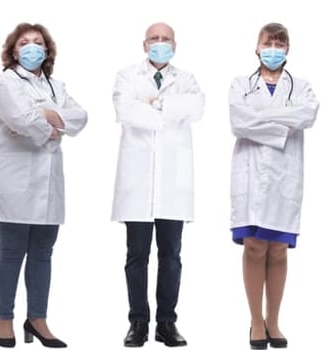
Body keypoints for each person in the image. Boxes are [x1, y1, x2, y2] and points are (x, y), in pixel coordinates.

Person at [0, 22, 89, 349]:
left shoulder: (56, 86)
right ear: (14, 50)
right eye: (25, 42)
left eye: (38, 43)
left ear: (46, 51)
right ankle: (4, 318)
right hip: (14, 181)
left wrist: (47, 113)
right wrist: (53, 124)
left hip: (49, 184)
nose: (32, 47)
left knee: (43, 253)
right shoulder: (5, 82)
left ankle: (37, 318)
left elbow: (81, 117)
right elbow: (19, 119)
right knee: (12, 251)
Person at [112, 22, 202, 348]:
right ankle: (138, 323)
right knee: (136, 255)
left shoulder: (187, 79)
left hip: (173, 184)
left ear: (174, 45)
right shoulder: (127, 76)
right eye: (154, 38)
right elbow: (125, 109)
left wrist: (152, 105)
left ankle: (167, 323)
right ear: (144, 44)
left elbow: (196, 107)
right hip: (137, 182)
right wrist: (166, 111)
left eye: (165, 39)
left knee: (172, 256)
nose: (159, 44)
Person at [229, 23, 318, 350]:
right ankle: (255, 320)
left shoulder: (303, 87)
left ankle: (274, 320)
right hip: (250, 174)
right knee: (254, 246)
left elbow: (308, 115)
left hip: (285, 178)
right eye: (269, 42)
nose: (274, 48)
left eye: (280, 43)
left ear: (288, 50)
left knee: (278, 249)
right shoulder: (241, 85)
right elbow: (239, 123)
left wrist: (262, 119)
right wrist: (282, 123)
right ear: (257, 47)